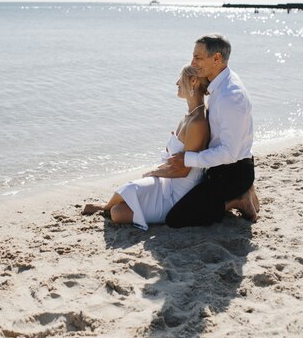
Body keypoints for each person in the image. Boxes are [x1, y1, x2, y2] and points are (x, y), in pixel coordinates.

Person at [82, 65, 210, 230]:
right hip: (167, 182)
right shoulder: (189, 116)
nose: (177, 82)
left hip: (176, 194)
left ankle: (104, 207)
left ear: (193, 81)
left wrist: (153, 172)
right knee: (125, 197)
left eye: (181, 78)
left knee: (118, 211)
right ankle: (106, 206)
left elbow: (184, 171)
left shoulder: (198, 122)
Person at [165, 34, 259, 227]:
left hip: (233, 173)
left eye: (198, 58)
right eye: (193, 57)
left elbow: (229, 153)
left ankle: (239, 200)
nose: (192, 63)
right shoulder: (220, 82)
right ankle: (244, 191)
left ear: (216, 59)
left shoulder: (231, 96)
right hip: (219, 168)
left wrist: (188, 159)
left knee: (176, 218)